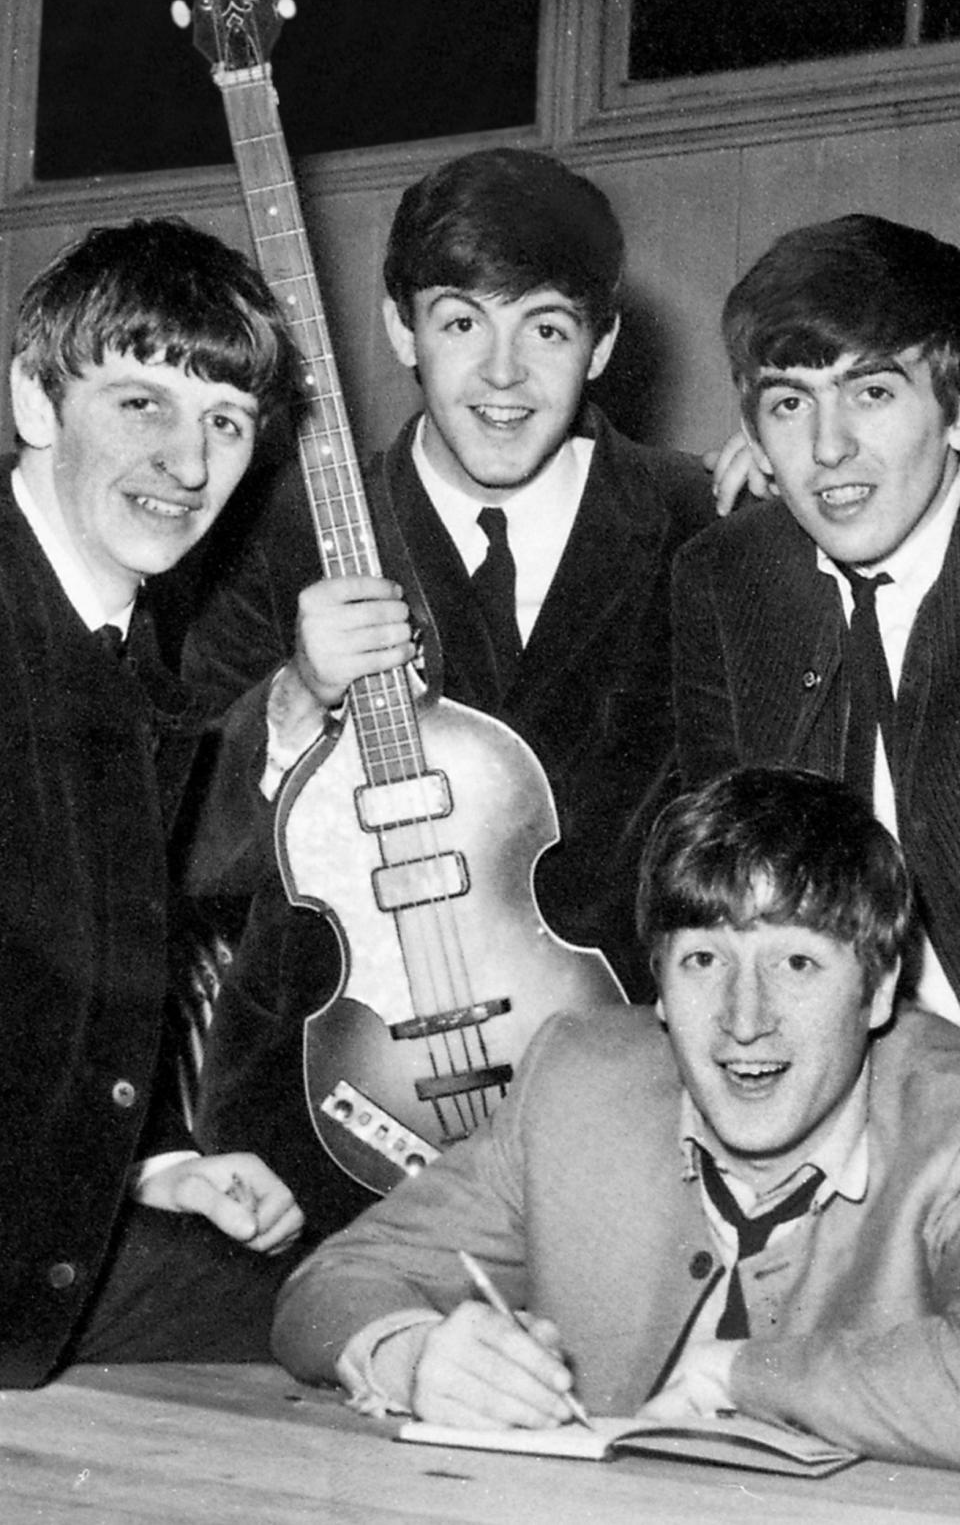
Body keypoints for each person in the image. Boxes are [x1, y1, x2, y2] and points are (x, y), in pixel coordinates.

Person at [183, 146, 715, 1224]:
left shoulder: (702, 523)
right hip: (325, 1108)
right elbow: (178, 834)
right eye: (463, 321)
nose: (504, 376)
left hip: (626, 1110)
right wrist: (294, 697)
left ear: (604, 341)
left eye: (548, 328)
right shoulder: (274, 525)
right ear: (398, 330)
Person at [270, 766, 960, 1469]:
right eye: (701, 959)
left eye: (797, 964)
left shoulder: (949, 1115)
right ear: (657, 984)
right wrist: (411, 1354)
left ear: (876, 991)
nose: (744, 1019)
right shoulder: (576, 1084)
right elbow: (331, 1283)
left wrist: (741, 1377)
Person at [0, 216, 321, 1390]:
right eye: (143, 404)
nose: (188, 464)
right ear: (36, 402)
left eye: (225, 422)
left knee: (334, 1307)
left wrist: (151, 1168)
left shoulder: (127, 652)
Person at [672, 213, 960, 1025]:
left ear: (951, 401)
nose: (829, 446)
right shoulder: (727, 578)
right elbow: (720, 891)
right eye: (791, 402)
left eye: (871, 391)